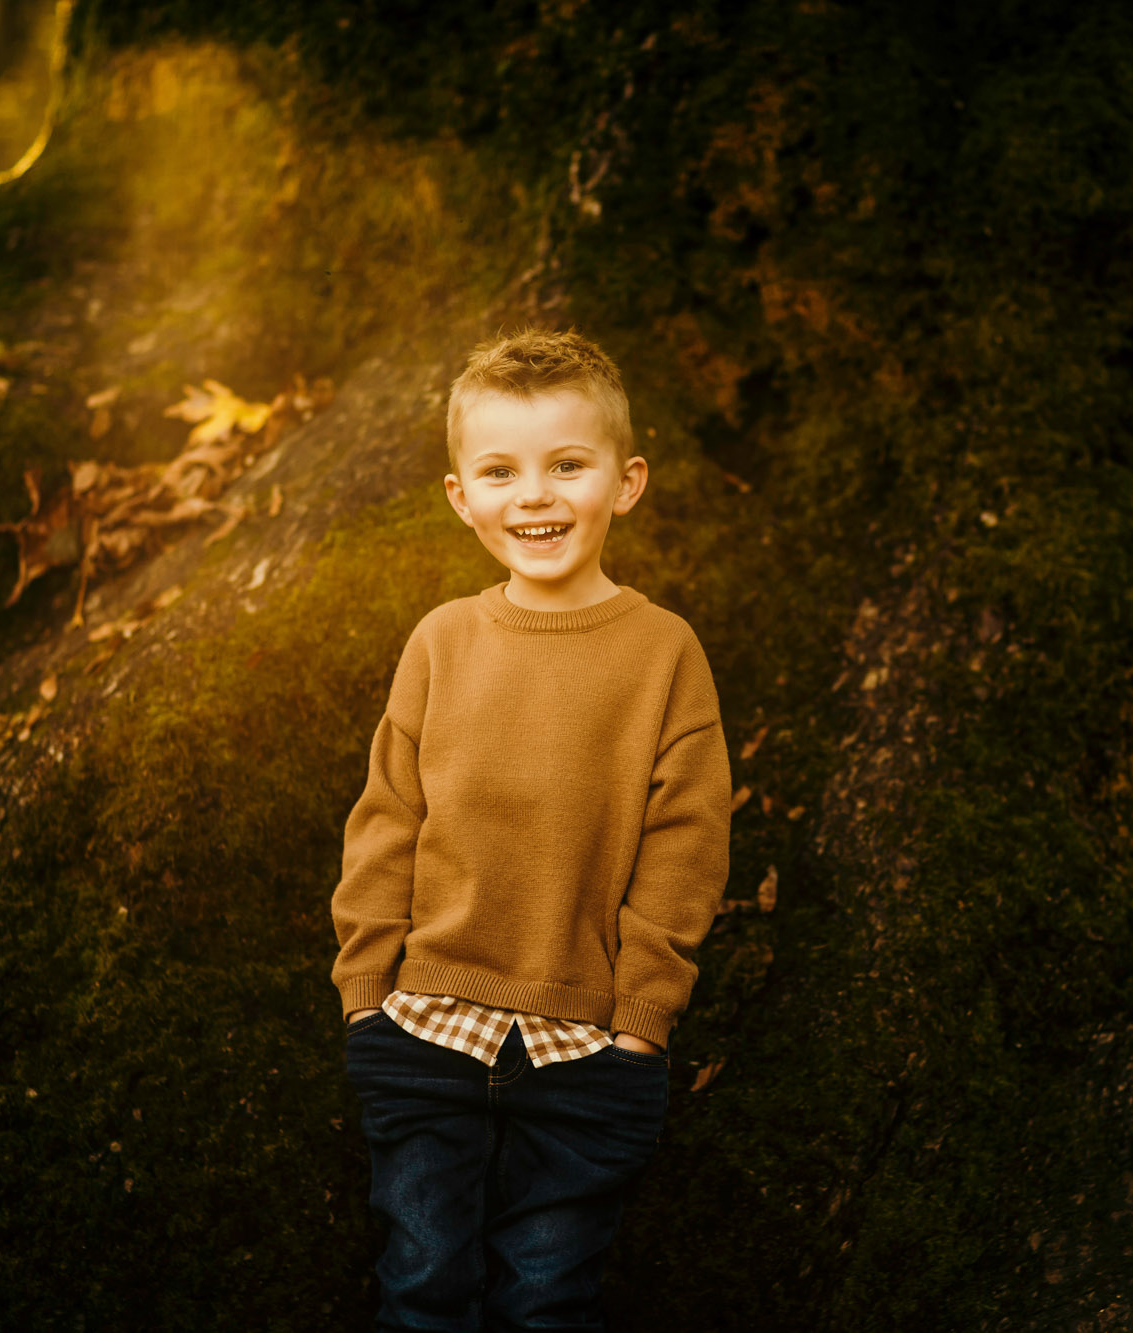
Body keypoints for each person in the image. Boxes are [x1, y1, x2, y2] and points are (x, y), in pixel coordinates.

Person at [331, 327, 732, 1331]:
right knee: (421, 1281)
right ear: (462, 497)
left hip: (587, 1047)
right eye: (501, 470)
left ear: (625, 482)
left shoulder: (662, 651)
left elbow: (686, 841)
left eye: (567, 464)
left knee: (549, 1295)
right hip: (426, 1025)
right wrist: (363, 991)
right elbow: (387, 816)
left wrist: (641, 1020)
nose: (536, 496)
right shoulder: (442, 640)